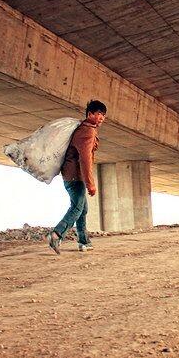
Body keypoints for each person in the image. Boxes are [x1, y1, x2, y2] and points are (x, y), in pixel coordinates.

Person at [47, 100, 106, 254]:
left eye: (103, 115)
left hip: (71, 175)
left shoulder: (85, 128)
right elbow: (85, 158)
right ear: (90, 114)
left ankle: (83, 241)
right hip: (75, 176)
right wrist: (90, 183)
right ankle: (56, 234)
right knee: (77, 207)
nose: (101, 118)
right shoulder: (87, 131)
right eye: (99, 114)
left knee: (83, 208)